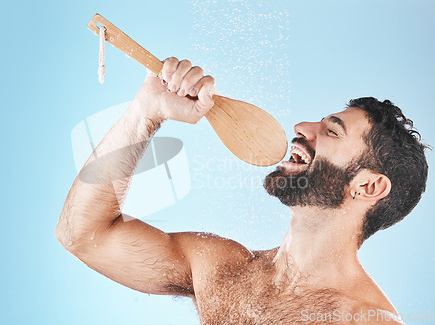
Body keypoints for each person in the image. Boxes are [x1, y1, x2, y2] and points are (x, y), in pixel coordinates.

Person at [55, 57, 428, 324]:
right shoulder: (221, 267)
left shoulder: (365, 321)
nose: (300, 126)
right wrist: (145, 112)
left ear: (368, 185)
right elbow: (83, 235)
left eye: (332, 131)